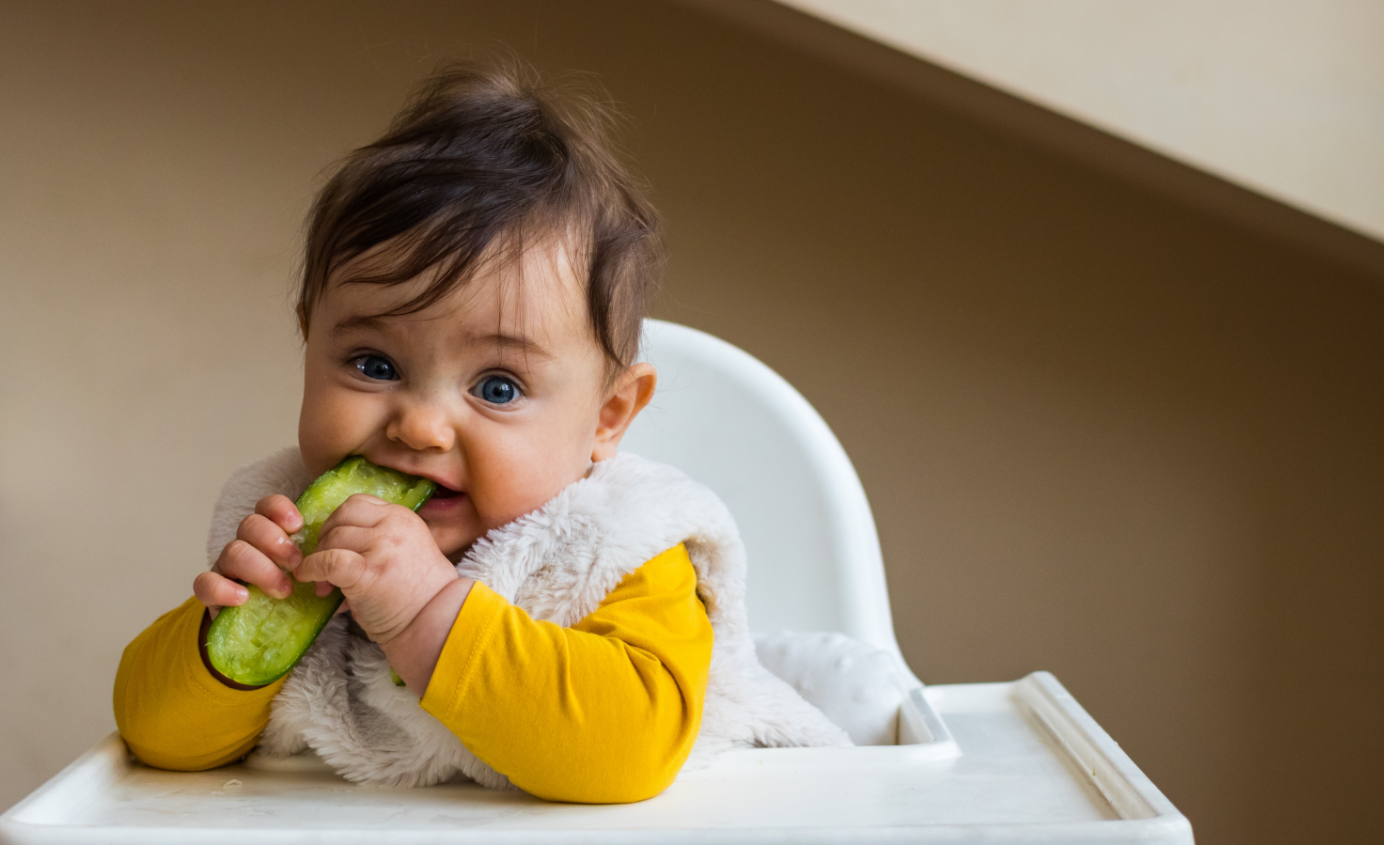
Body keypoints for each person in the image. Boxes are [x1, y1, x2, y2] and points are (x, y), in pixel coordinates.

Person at [112, 63, 847, 805]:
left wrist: (427, 614)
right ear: (309, 341)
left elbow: (630, 754)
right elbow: (156, 740)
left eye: (498, 387)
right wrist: (228, 634)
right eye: (373, 364)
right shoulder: (292, 526)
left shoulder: (617, 545)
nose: (420, 425)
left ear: (608, 416)